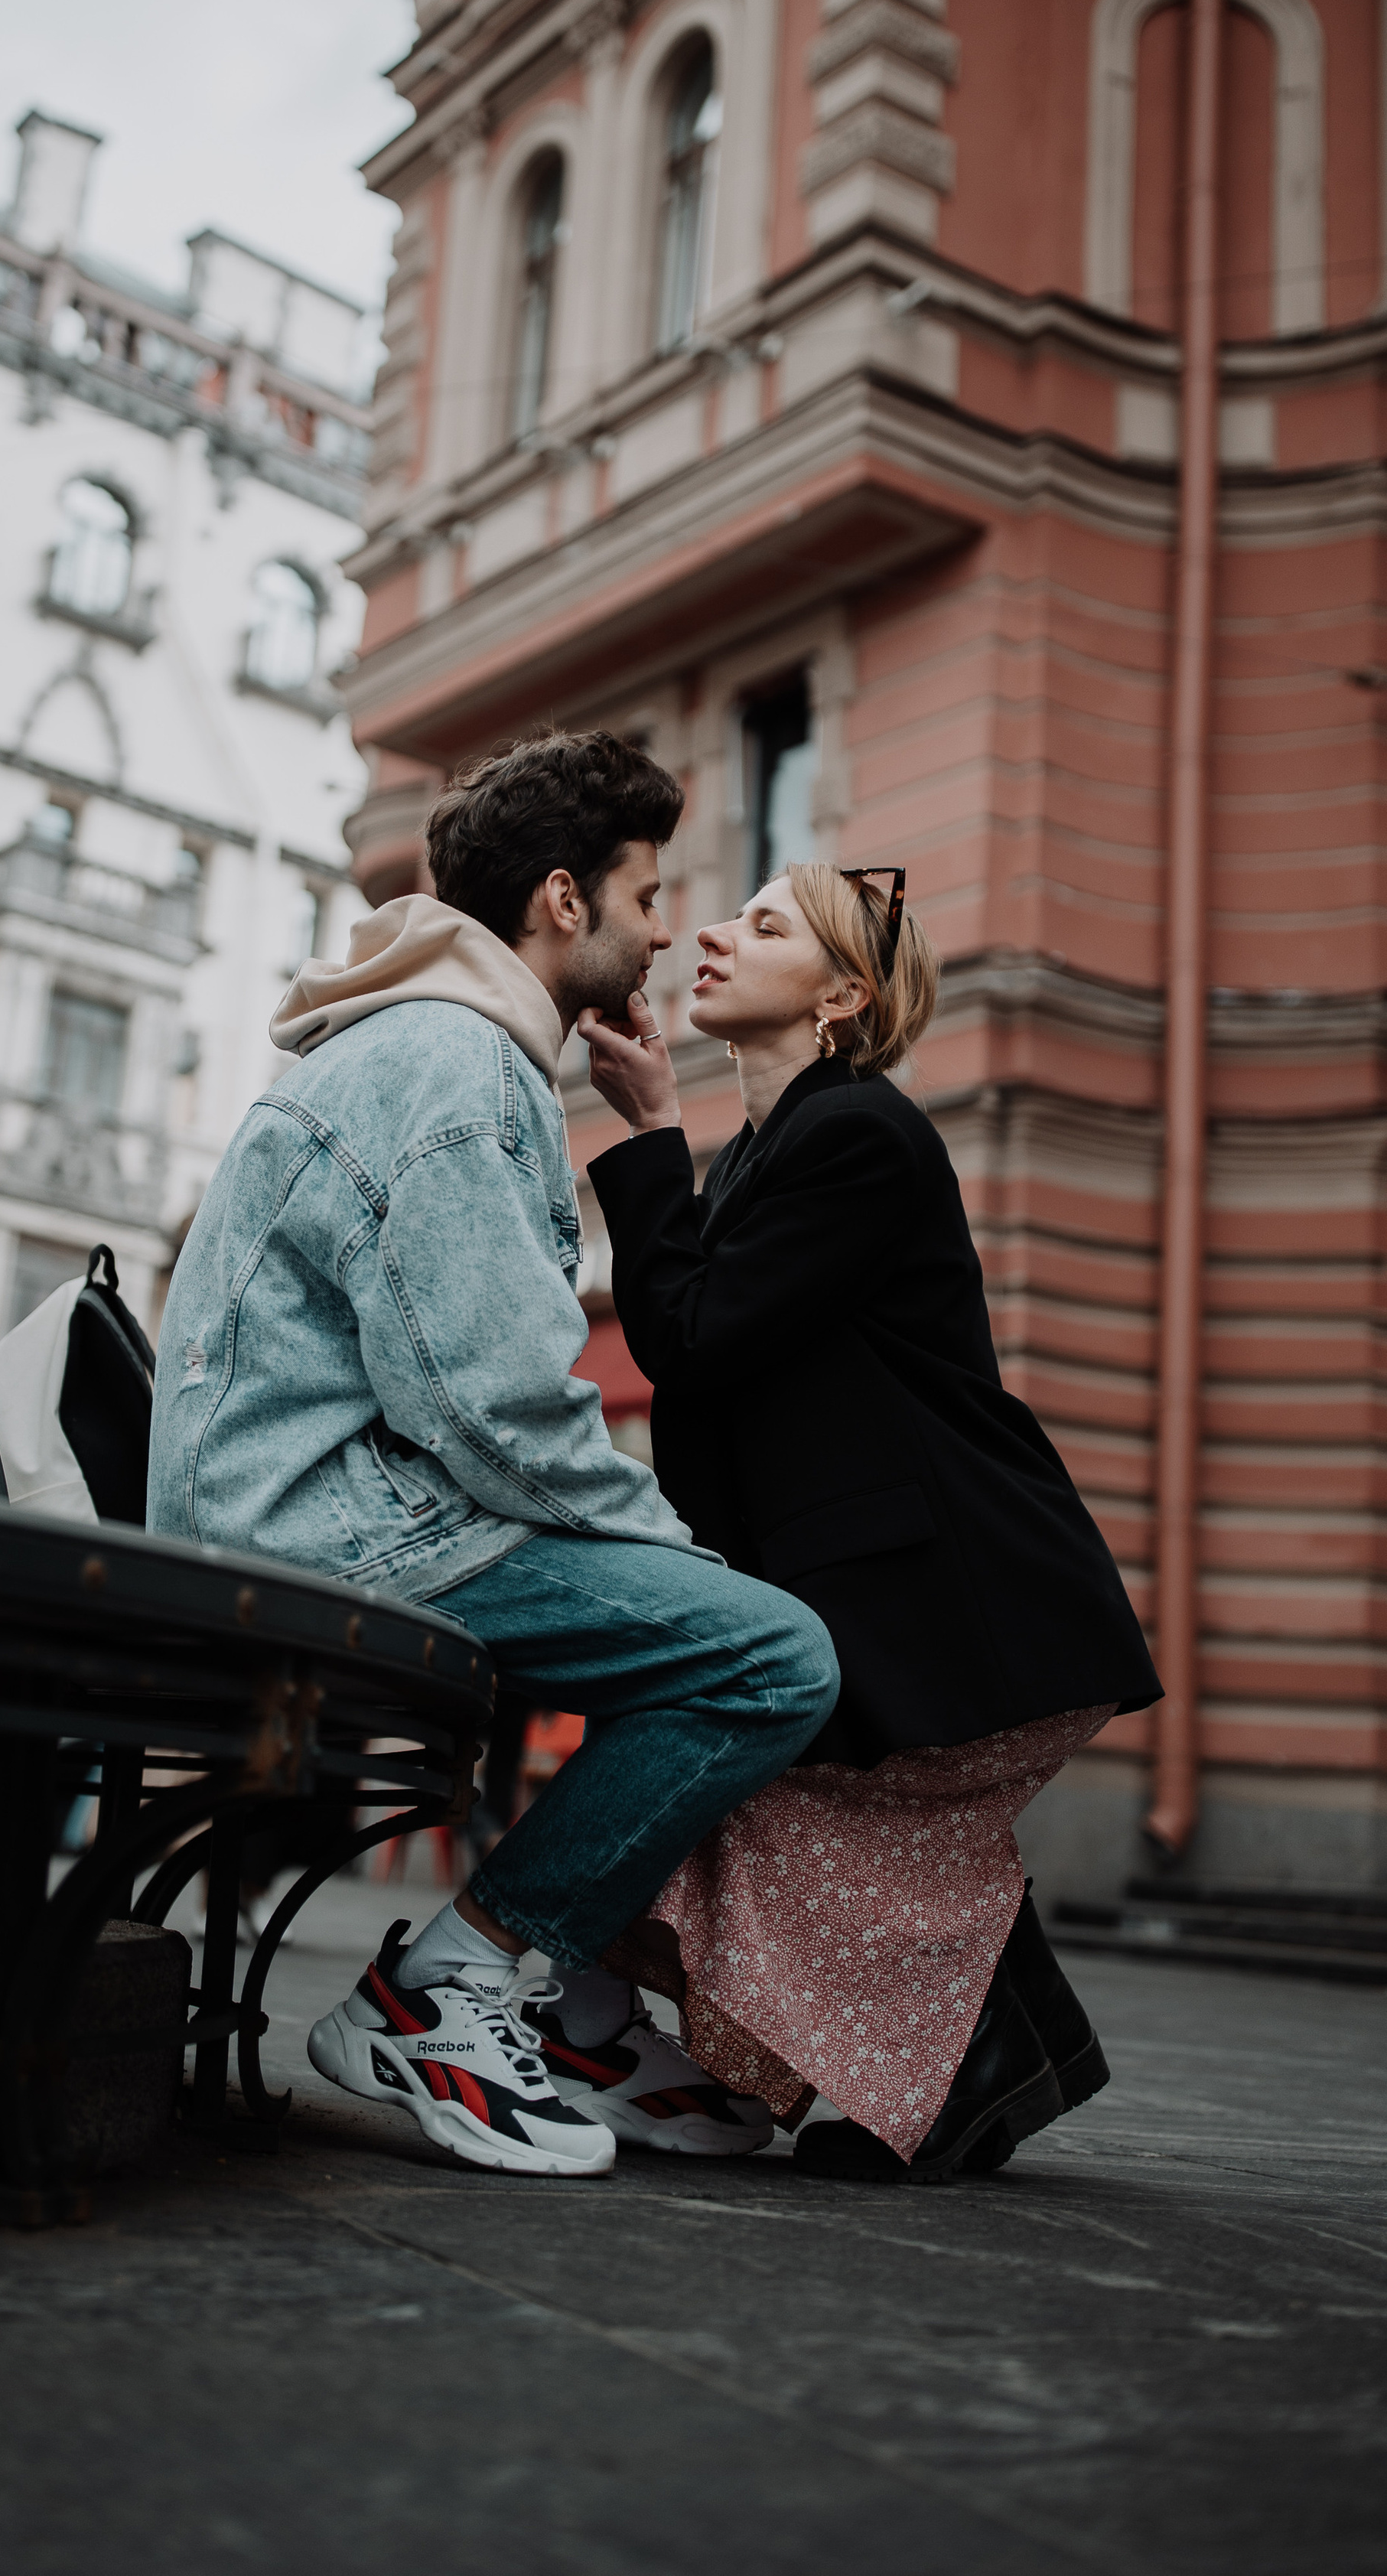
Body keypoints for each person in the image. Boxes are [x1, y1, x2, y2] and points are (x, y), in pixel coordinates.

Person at [148, 733, 840, 2179]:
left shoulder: (431, 1044)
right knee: (770, 1656)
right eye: (646, 896)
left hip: (297, 1514)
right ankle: (444, 1992)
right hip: (325, 1536)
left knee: (718, 1634)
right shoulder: (458, 1065)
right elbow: (493, 1406)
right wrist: (673, 1554)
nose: (665, 932)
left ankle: (574, 2007)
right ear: (563, 900)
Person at [578, 861, 1162, 2183]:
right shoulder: (776, 1147)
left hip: (928, 1575)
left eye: (763, 926)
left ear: (841, 997)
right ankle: (1008, 2052)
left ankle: (1003, 2051)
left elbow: (692, 1338)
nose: (712, 934)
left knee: (787, 1804)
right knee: (816, 1816)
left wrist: (654, 1127)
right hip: (856, 1564)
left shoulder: (857, 1133)